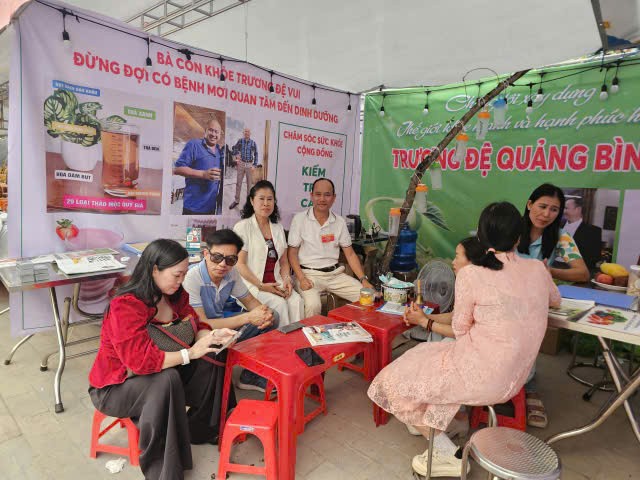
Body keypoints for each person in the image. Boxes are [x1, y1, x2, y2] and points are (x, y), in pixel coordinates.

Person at [368, 202, 561, 478]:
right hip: (517, 377)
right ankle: (449, 427)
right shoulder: (538, 270)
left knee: (392, 381)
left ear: (480, 237)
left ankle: (447, 453)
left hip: (481, 374)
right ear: (519, 238)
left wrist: (426, 322)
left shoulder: (472, 274)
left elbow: (460, 329)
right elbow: (555, 300)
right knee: (428, 368)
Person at [88, 239, 238, 480]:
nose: (181, 281)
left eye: (184, 274)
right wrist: (191, 353)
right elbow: (140, 362)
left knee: (214, 353)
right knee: (166, 379)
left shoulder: (176, 295)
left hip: (160, 369)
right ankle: (165, 472)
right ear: (154, 269)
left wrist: (209, 338)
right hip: (116, 387)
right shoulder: (125, 306)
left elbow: (196, 323)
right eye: (177, 275)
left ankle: (201, 429)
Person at [182, 229, 276, 392]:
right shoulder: (192, 277)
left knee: (272, 318)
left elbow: (250, 301)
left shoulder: (232, 273)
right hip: (198, 333)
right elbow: (202, 323)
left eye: (230, 259)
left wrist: (264, 314)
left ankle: (250, 376)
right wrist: (249, 317)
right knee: (225, 332)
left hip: (220, 326)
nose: (222, 264)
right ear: (206, 254)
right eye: (217, 257)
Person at [288, 177, 374, 317]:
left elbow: (350, 254)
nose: (322, 199)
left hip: (335, 275)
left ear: (333, 198)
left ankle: (353, 328)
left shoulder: (339, 222)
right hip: (308, 275)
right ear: (311, 196)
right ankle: (310, 331)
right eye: (318, 194)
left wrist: (363, 280)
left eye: (327, 195)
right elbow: (292, 253)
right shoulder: (300, 219)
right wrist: (301, 278)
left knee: (367, 296)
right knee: (313, 305)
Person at [233, 180, 304, 326]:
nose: (266, 203)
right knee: (280, 305)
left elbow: (284, 261)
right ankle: (282, 340)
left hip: (276, 282)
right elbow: (240, 264)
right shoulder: (242, 227)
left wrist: (286, 280)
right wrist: (260, 285)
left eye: (270, 199)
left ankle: (296, 338)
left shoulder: (278, 228)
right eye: (261, 199)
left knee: (297, 301)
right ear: (252, 201)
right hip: (252, 286)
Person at [405, 236, 484, 341]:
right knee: (436, 334)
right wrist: (423, 316)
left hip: (476, 343)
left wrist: (424, 321)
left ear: (472, 261)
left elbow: (460, 332)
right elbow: (453, 316)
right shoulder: (468, 283)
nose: (453, 262)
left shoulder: (480, 290)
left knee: (443, 339)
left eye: (457, 256)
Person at [517, 183, 590, 283]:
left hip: (537, 290)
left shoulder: (561, 236)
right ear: (530, 205)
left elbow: (583, 274)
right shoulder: (509, 227)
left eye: (554, 210)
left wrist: (549, 271)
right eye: (542, 207)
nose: (546, 214)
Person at [174, 118, 225, 215]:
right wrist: (203, 174)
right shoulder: (194, 144)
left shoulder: (220, 151)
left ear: (220, 135)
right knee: (191, 227)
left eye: (216, 132)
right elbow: (178, 169)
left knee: (209, 226)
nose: (213, 134)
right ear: (205, 130)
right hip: (193, 208)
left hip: (211, 208)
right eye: (211, 130)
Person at [563, 196, 602, 272]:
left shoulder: (593, 231)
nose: (563, 211)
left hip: (577, 271)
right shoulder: (556, 226)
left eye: (566, 208)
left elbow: (595, 257)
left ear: (578, 209)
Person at [229, 128, 259, 210]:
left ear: (250, 133)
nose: (247, 133)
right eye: (245, 131)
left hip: (249, 164)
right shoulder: (240, 141)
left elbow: (256, 154)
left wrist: (254, 165)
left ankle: (249, 203)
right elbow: (234, 149)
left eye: (248, 132)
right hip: (241, 164)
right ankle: (236, 200)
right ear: (243, 133)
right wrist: (236, 156)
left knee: (249, 185)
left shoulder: (253, 143)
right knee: (238, 183)